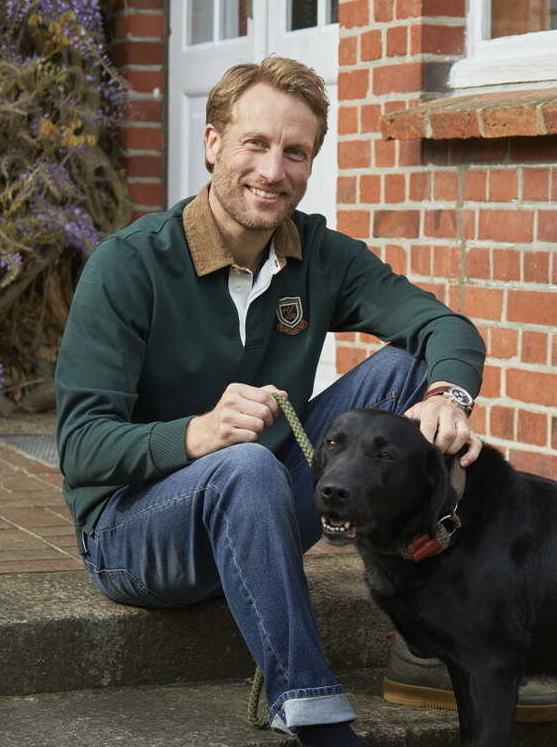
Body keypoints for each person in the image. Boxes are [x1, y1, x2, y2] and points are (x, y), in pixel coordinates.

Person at [56, 55, 489, 747]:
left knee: (406, 368)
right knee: (245, 466)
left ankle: (426, 632)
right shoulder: (128, 266)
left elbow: (445, 327)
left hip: (259, 497)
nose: (273, 169)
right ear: (213, 143)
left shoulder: (317, 255)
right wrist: (194, 434)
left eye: (295, 152)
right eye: (255, 143)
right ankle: (313, 713)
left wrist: (448, 394)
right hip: (132, 530)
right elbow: (81, 449)